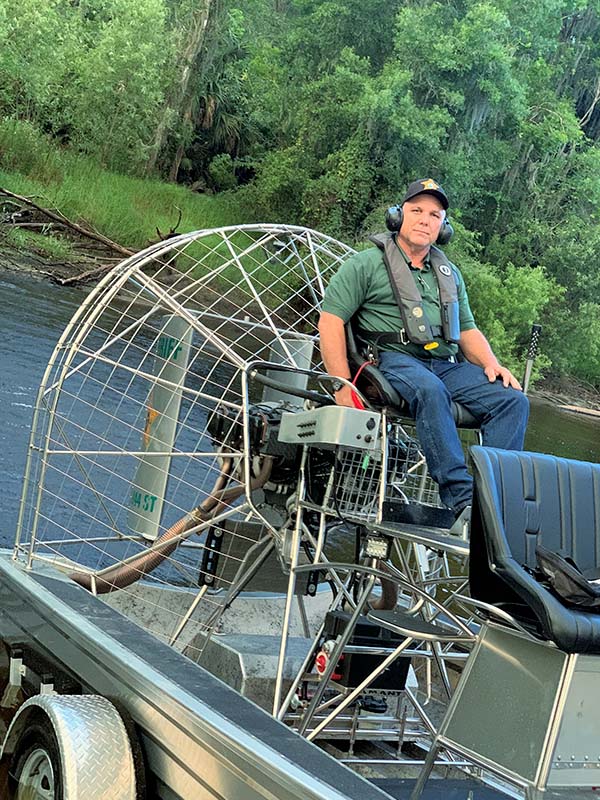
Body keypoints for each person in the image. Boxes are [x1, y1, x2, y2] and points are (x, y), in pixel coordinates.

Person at [318, 178, 529, 522]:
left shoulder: (449, 273)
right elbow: (330, 322)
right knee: (430, 391)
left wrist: (493, 364)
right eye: (416, 210)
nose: (424, 219)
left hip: (444, 362)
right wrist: (343, 384)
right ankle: (461, 499)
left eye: (434, 214)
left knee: (512, 400)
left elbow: (467, 330)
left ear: (443, 227)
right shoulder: (365, 264)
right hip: (390, 359)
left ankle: (495, 499)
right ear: (397, 216)